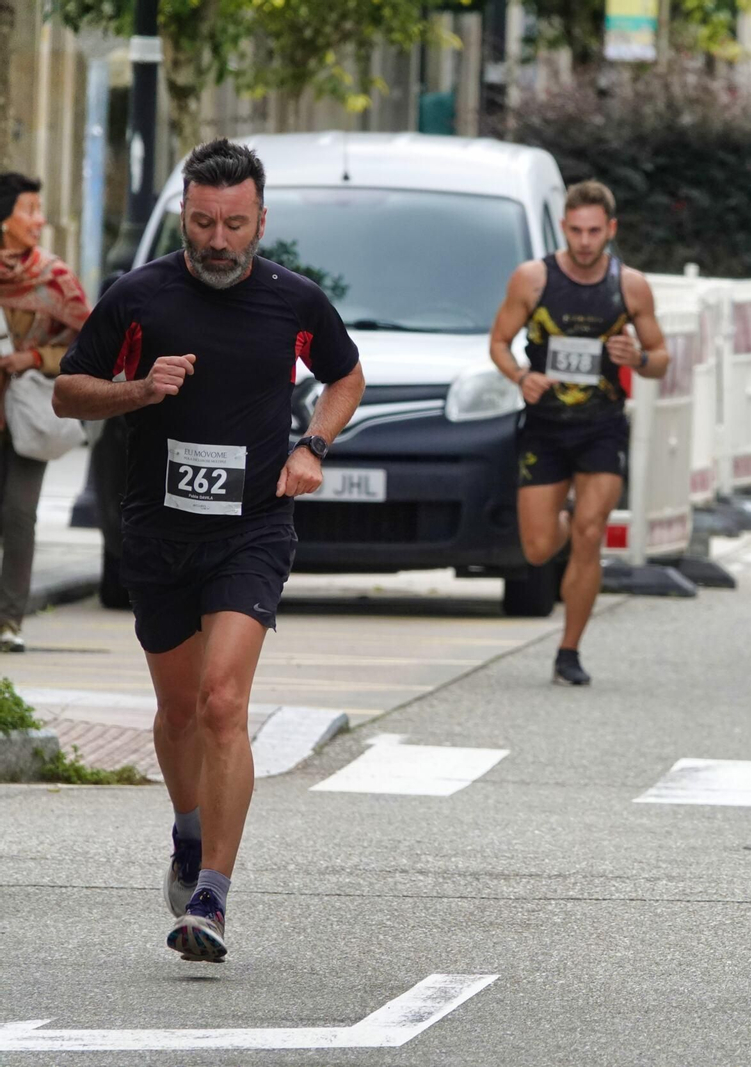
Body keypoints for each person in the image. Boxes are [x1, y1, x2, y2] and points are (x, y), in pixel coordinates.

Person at [53, 139, 366, 962]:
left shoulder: (294, 300)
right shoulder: (139, 296)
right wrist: (139, 388)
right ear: (184, 217)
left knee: (224, 701)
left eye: (233, 223)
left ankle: (212, 898)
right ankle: (188, 831)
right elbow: (67, 390)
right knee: (179, 711)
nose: (217, 240)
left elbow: (346, 377)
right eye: (201, 223)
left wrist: (314, 447)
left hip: (251, 527)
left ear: (261, 219)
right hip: (157, 531)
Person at [488, 180, 669, 687]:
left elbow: (661, 358)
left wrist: (639, 357)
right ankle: (565, 521)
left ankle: (569, 651)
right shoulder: (533, 279)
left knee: (592, 533)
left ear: (610, 230)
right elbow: (499, 342)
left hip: (601, 427)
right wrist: (521, 376)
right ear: (563, 228)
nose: (585, 242)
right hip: (545, 428)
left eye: (594, 232)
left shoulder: (629, 286)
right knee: (538, 548)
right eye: (576, 231)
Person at [0, 173, 90, 652]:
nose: (40, 221)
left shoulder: (54, 278)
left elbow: (89, 343)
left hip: (30, 415)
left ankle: (8, 622)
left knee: (19, 514)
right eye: (30, 210)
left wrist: (33, 358)